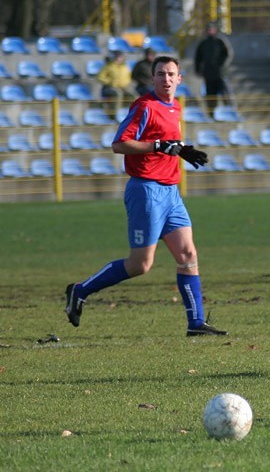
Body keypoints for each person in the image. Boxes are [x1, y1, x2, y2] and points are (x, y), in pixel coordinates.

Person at [65, 55, 228, 337]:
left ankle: (196, 324)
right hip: (146, 190)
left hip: (171, 192)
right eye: (161, 74)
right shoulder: (145, 107)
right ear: (152, 78)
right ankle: (80, 290)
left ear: (180, 79)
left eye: (171, 74)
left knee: (188, 253)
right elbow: (119, 144)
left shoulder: (175, 106)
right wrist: (158, 146)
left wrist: (181, 150)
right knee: (141, 265)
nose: (166, 79)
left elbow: (165, 143)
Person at [194, 22, 234, 117]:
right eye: (207, 29)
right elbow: (198, 58)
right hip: (208, 74)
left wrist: (222, 65)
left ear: (215, 30)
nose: (209, 31)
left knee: (225, 95)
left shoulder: (220, 41)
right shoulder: (203, 43)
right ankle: (211, 114)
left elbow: (228, 55)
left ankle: (230, 113)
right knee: (210, 96)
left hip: (220, 74)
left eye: (210, 29)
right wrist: (198, 70)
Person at [97, 50, 136, 116]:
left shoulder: (125, 67)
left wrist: (126, 83)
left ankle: (133, 113)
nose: (119, 58)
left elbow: (129, 76)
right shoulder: (108, 66)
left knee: (133, 96)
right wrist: (110, 82)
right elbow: (100, 77)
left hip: (124, 87)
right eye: (117, 57)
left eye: (120, 57)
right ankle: (115, 114)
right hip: (110, 87)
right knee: (118, 94)